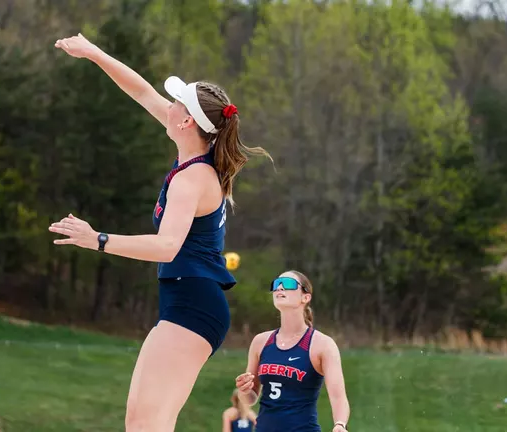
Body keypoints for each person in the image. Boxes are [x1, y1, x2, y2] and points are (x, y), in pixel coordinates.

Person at [49, 33, 270, 431]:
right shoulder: (193, 155)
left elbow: (167, 247)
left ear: (186, 121)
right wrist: (96, 53)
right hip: (188, 303)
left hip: (194, 306)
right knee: (144, 423)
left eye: (177, 103)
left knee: (146, 424)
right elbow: (142, 92)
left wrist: (97, 238)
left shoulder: (193, 178)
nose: (167, 106)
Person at [234, 271, 351, 432]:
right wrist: (244, 390)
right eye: (276, 284)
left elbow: (338, 396)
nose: (280, 287)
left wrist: (340, 424)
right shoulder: (261, 341)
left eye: (288, 283)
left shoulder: (322, 344)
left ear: (306, 297)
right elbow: (250, 399)